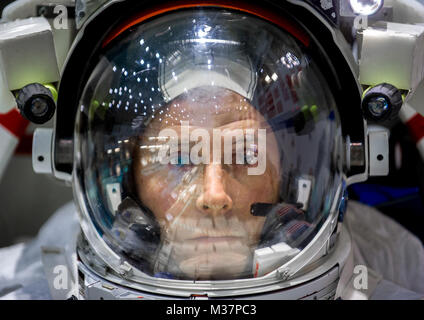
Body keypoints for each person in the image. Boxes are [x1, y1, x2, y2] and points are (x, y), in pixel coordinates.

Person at [1, 0, 424, 300]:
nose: (214, 195)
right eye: (179, 157)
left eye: (244, 155)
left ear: (291, 180)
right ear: (127, 182)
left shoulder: (396, 263)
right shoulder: (27, 282)